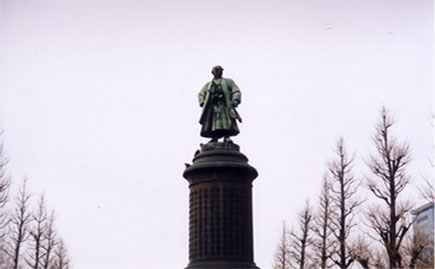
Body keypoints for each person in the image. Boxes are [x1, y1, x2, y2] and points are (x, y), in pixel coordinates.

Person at [198, 65, 242, 142]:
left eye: (220, 70)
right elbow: (201, 94)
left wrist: (235, 100)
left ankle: (227, 136)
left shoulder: (228, 81)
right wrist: (202, 102)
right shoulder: (208, 85)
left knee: (226, 122)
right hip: (213, 105)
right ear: (213, 72)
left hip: (225, 104)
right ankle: (214, 137)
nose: (218, 72)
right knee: (213, 122)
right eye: (216, 71)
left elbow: (236, 90)